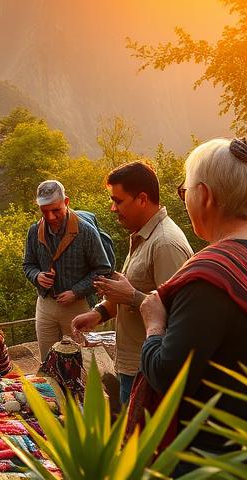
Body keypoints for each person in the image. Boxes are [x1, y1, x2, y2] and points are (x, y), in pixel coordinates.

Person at [132, 138, 247, 467]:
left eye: (185, 192)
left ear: (205, 195)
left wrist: (154, 325)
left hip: (212, 461)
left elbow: (166, 375)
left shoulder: (208, 277)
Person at [71, 161, 193, 405]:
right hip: (133, 367)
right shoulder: (143, 237)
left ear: (142, 199)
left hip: (149, 372)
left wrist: (130, 296)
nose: (112, 208)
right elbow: (139, 293)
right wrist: (100, 313)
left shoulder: (166, 244)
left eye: (118, 201)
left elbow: (179, 315)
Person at [22, 179, 113, 362]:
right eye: (44, 211)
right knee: (47, 362)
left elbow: (103, 269)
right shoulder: (34, 231)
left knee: (82, 364)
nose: (50, 217)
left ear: (67, 202)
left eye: (56, 210)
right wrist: (37, 276)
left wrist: (76, 291)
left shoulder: (85, 231)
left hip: (78, 306)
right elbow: (28, 265)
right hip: (46, 304)